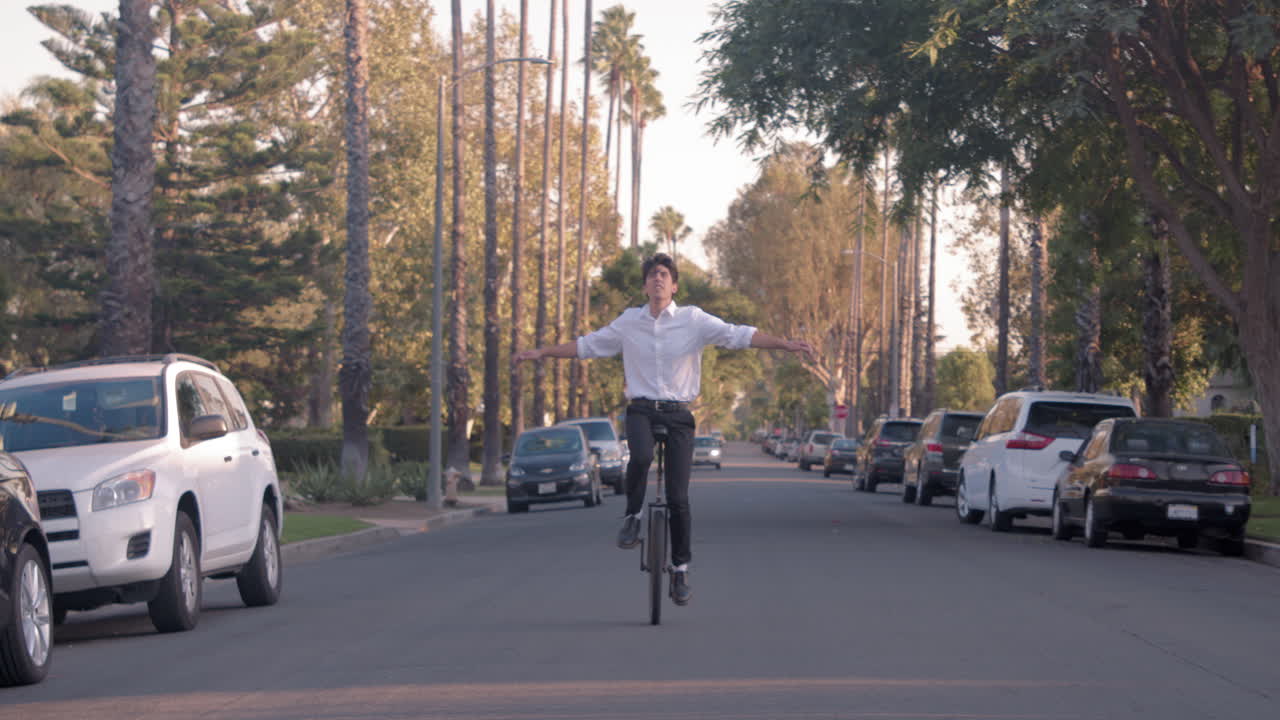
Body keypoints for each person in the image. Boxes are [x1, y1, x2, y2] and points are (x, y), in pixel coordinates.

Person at [514, 253, 814, 606]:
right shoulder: (628, 322)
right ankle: (632, 515)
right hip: (641, 409)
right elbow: (586, 345)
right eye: (652, 275)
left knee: (678, 499)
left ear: (674, 285)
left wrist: (785, 344)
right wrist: (543, 352)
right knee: (639, 456)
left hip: (678, 415)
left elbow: (739, 335)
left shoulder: (694, 320)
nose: (658, 279)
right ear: (644, 286)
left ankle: (681, 569)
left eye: (664, 274)